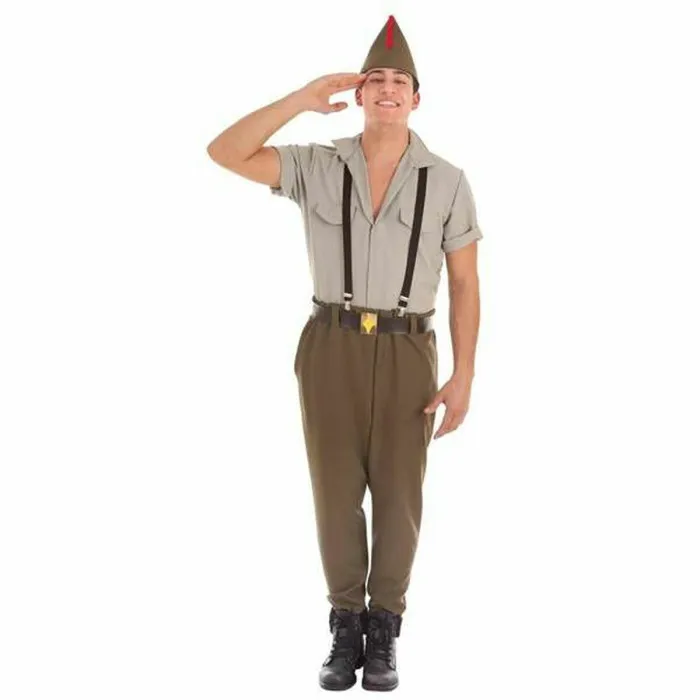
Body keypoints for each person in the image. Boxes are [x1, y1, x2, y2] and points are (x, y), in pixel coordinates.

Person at [207, 14, 482, 692]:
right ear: (359, 93)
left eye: (399, 82)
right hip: (330, 344)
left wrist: (464, 374)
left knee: (399, 496)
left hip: (409, 348)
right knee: (334, 495)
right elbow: (225, 151)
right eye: (375, 79)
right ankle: (345, 624)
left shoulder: (447, 181)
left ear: (416, 98)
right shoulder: (318, 164)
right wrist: (301, 99)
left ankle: (384, 628)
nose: (387, 90)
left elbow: (465, 283)